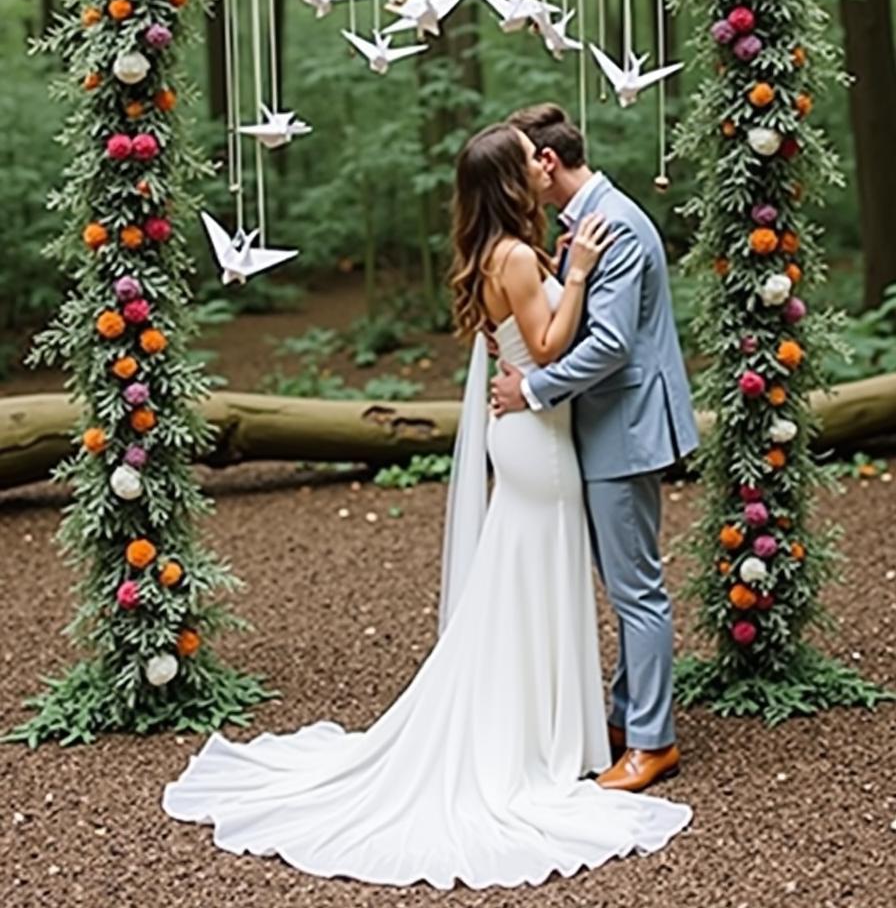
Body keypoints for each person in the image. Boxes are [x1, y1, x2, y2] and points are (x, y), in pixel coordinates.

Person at [162, 121, 692, 890]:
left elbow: (604, 346)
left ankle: (637, 733)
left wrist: (536, 363)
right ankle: (601, 727)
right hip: (547, 440)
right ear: (523, 179)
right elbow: (553, 343)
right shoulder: (542, 247)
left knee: (611, 585)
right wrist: (565, 292)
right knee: (565, 581)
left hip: (599, 434)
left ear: (544, 163)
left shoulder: (595, 231)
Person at [491, 102, 700, 793]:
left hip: (626, 426)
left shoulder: (617, 226)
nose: (520, 174)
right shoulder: (582, 224)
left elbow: (610, 345)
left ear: (545, 163)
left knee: (636, 589)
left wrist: (535, 390)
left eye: (522, 160)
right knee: (622, 582)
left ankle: (653, 742)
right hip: (606, 424)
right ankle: (625, 715)